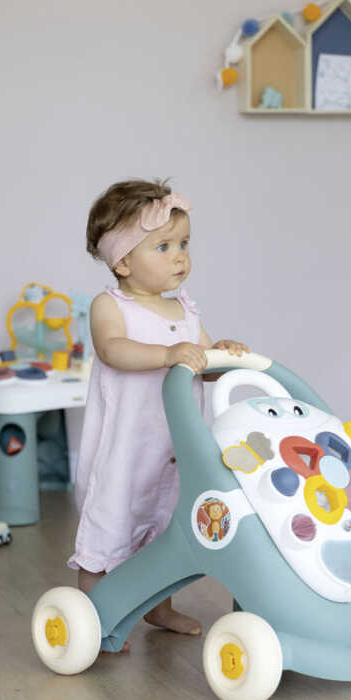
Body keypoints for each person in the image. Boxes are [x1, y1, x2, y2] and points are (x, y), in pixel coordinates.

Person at [68, 179, 247, 649]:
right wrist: (168, 354)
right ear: (123, 262)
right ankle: (95, 617)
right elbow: (113, 350)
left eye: (184, 244)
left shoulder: (185, 310)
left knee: (167, 530)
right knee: (111, 528)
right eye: (164, 247)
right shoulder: (112, 307)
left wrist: (221, 354)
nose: (179, 257)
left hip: (175, 452)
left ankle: (159, 607)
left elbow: (202, 365)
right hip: (125, 452)